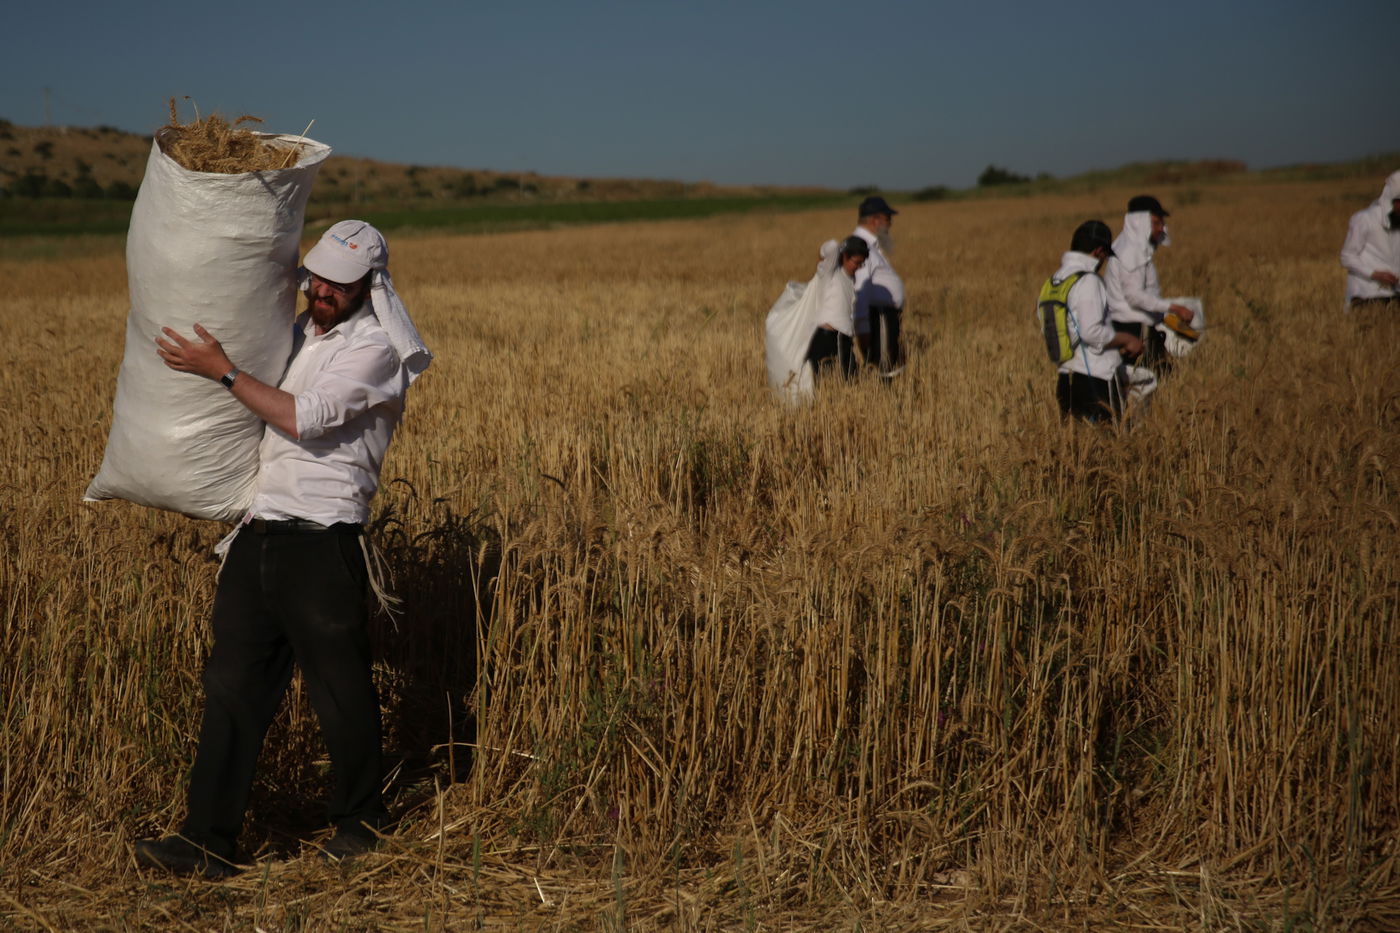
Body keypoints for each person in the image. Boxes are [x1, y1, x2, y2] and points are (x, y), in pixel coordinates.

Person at [134, 220, 432, 878]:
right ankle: (205, 842)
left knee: (340, 689)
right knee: (232, 687)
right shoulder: (297, 333)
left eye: (340, 285)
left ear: (369, 286)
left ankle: (361, 826)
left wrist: (222, 371)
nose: (322, 291)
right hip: (258, 534)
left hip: (323, 542)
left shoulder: (378, 346)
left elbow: (305, 416)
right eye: (318, 277)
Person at [1043, 220, 1143, 423]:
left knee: (1076, 449)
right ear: (1099, 251)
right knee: (1111, 447)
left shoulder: (1055, 281)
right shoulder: (1088, 280)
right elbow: (1091, 332)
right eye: (1105, 256)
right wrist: (1126, 339)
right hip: (1095, 380)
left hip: (1066, 379)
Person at [1103, 195, 1195, 376]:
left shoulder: (1131, 246)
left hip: (1137, 327)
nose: (1161, 229)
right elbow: (1135, 296)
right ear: (1140, 223)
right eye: (1156, 223)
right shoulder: (1130, 252)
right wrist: (1175, 308)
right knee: (1148, 381)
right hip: (1134, 329)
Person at [851, 196, 906, 378]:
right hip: (878, 319)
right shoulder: (861, 247)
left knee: (888, 371)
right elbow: (859, 294)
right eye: (887, 218)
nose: (890, 224)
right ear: (875, 220)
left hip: (884, 319)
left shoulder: (870, 246)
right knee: (884, 374)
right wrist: (864, 334)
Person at [806, 235, 869, 384]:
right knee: (823, 384)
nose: (859, 267)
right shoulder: (830, 272)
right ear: (845, 256)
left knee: (850, 383)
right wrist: (842, 248)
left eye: (862, 263)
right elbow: (832, 246)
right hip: (825, 339)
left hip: (844, 339)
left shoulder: (851, 279)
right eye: (857, 262)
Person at [1340, 169, 1400, 310]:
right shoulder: (1364, 219)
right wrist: (1374, 273)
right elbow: (1347, 257)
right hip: (1366, 294)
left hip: (1395, 294)